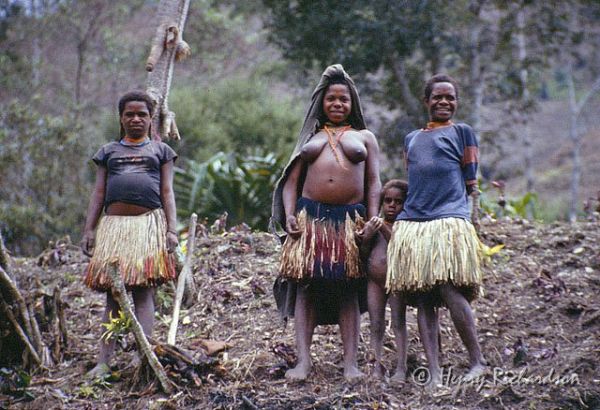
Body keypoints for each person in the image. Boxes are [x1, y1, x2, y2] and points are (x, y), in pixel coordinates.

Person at [271, 64, 381, 381]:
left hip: (349, 221)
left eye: (343, 99)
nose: (337, 104)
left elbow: (373, 182)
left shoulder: (365, 137)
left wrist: (371, 219)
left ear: (353, 104)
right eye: (331, 99)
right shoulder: (311, 137)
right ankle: (303, 362)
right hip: (311, 220)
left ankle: (351, 364)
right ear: (321, 102)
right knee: (307, 288)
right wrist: (290, 214)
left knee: (347, 290)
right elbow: (291, 181)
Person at [386, 74, 486, 386]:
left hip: (448, 219)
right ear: (426, 101)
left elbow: (471, 184)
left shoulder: (463, 133)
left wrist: (469, 222)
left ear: (456, 102)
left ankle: (477, 361)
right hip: (413, 222)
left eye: (450, 97)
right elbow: (413, 179)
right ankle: (434, 374)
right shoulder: (412, 138)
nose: (444, 102)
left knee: (448, 288)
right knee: (422, 295)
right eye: (438, 97)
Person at [81, 91, 178, 377]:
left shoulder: (161, 151)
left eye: (142, 115)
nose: (136, 119)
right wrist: (89, 229)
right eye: (129, 114)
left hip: (148, 226)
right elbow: (98, 192)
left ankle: (143, 355)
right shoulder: (108, 151)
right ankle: (104, 361)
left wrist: (172, 230)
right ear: (121, 119)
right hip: (113, 227)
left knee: (145, 291)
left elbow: (167, 192)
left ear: (151, 120)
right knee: (114, 294)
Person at [359, 179, 408, 381]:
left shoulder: (406, 225)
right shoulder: (376, 223)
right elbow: (363, 254)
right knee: (376, 323)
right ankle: (375, 365)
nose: (392, 205)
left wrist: (382, 229)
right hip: (374, 281)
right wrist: (366, 236)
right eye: (387, 200)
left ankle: (401, 367)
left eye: (397, 201)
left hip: (396, 281)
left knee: (398, 322)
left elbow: (400, 249)